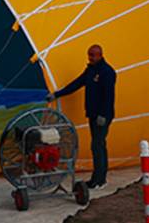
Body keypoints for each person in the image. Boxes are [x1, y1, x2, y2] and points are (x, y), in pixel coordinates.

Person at [46, 44, 116, 189]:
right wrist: (57, 94)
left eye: (92, 55)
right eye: (89, 55)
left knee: (97, 145)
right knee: (99, 145)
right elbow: (76, 84)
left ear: (100, 55)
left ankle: (99, 179)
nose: (90, 58)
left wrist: (103, 114)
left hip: (102, 116)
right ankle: (99, 177)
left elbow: (109, 96)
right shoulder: (90, 70)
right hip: (92, 114)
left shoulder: (107, 72)